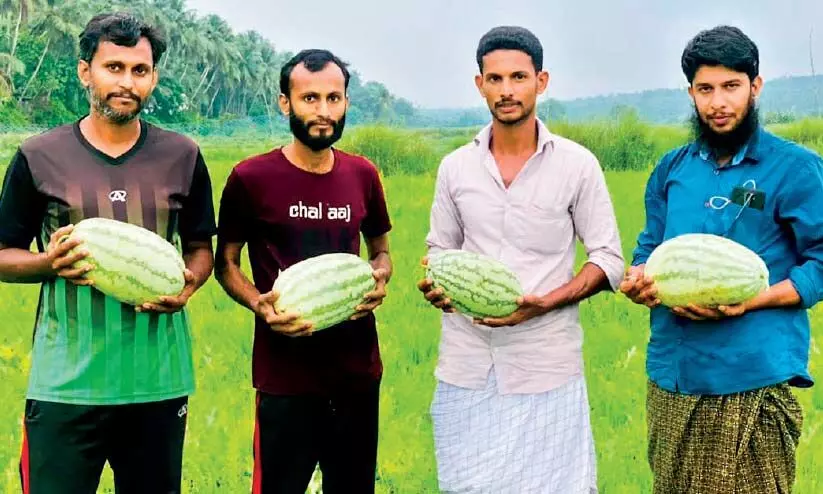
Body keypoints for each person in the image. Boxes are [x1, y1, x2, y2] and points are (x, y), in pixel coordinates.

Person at [0, 12, 217, 494]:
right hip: (65, 386)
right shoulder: (39, 155)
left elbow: (201, 247)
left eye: (139, 70)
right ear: (85, 72)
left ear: (153, 77)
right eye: (113, 67)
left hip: (157, 383)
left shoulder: (183, 155)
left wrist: (189, 284)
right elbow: (3, 254)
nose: (126, 81)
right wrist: (46, 263)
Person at [417, 25, 624, 493]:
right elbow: (438, 252)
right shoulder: (455, 167)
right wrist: (434, 286)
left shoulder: (577, 164)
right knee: (467, 486)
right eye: (495, 79)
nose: (506, 91)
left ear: (541, 81)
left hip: (545, 366)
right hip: (466, 366)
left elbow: (608, 258)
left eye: (518, 77)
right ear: (480, 84)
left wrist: (546, 302)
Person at [619, 25, 823, 494]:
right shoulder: (673, 169)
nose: (719, 102)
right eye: (705, 89)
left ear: (755, 86)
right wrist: (638, 280)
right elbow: (650, 247)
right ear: (690, 92)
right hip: (673, 373)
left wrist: (752, 301)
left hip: (751, 376)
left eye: (731, 86)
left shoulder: (793, 168)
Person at [214, 49, 393, 494]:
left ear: (347, 102)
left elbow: (382, 253)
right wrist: (259, 303)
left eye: (334, 99)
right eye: (310, 98)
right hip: (285, 376)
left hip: (357, 372)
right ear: (285, 103)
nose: (323, 111)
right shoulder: (251, 178)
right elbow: (226, 264)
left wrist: (380, 278)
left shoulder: (363, 174)